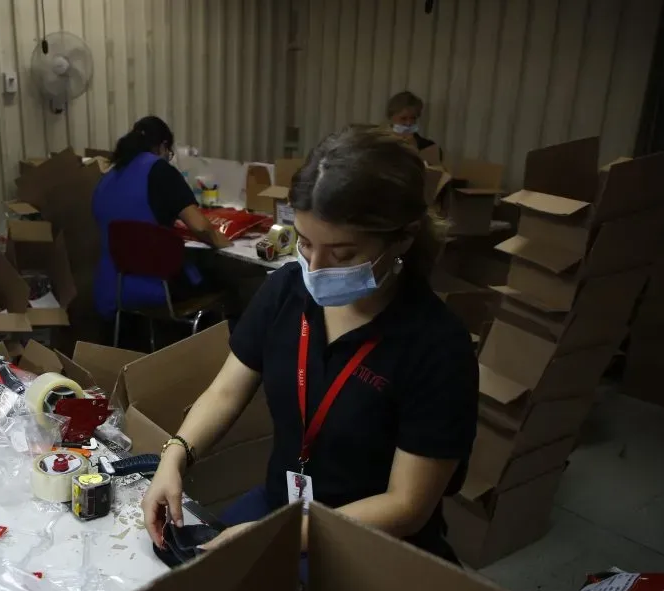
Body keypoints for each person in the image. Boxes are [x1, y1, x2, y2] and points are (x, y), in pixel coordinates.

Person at [140, 126, 477, 565]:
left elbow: (406, 505)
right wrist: (175, 456)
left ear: (403, 238)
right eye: (304, 243)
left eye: (341, 255)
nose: (314, 269)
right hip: (281, 507)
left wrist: (278, 535)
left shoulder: (437, 347)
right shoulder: (286, 291)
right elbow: (226, 391)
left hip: (368, 541)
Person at [91, 115, 218, 320]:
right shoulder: (159, 170)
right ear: (163, 146)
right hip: (157, 286)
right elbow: (200, 227)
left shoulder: (107, 177)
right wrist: (223, 243)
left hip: (112, 287)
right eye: (169, 153)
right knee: (225, 280)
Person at [386, 91, 439, 155]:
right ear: (391, 118)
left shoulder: (429, 146)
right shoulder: (380, 144)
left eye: (413, 118)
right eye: (403, 118)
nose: (409, 123)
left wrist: (415, 149)